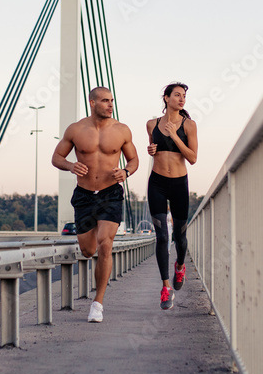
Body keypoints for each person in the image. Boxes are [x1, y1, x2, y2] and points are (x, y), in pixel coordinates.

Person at [52, 86, 139, 323]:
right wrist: (70, 166)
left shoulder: (121, 130)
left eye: (112, 100)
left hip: (110, 193)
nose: (110, 104)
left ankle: (97, 303)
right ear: (92, 103)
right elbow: (56, 157)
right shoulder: (76, 129)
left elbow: (133, 160)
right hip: (84, 195)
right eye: (104, 101)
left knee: (105, 244)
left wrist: (126, 172)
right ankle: (96, 294)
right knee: (88, 250)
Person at [146, 82, 197, 310]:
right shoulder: (151, 124)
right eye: (177, 95)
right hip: (157, 182)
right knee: (162, 236)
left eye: (184, 96)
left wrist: (176, 137)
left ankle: (179, 266)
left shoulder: (189, 125)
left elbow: (193, 157)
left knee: (179, 235)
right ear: (166, 98)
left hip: (178, 184)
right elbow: (154, 148)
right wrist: (151, 150)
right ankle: (165, 288)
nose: (181, 99)